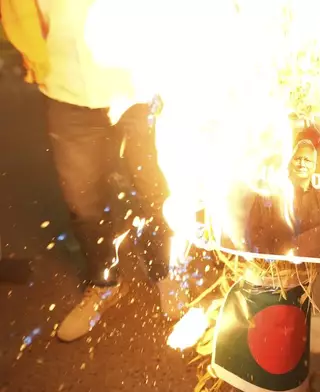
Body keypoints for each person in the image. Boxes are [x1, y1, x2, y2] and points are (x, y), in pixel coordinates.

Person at [9, 0, 188, 342]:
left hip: (139, 83)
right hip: (65, 86)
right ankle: (104, 283)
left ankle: (165, 270)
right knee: (83, 201)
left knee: (155, 188)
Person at [248, 139, 320, 259]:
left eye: (307, 160)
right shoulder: (269, 193)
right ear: (289, 162)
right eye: (297, 158)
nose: (301, 164)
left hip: (309, 273)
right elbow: (254, 233)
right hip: (272, 272)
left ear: (315, 166)